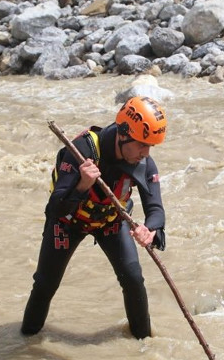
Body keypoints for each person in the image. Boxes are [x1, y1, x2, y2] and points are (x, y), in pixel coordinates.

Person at [21, 96, 168, 340]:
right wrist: (82, 185)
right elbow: (55, 208)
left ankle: (143, 345)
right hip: (68, 221)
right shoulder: (84, 150)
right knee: (45, 284)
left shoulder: (143, 161)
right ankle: (24, 339)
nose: (146, 153)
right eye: (142, 144)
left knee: (133, 279)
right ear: (123, 133)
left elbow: (156, 210)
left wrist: (149, 229)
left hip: (109, 221)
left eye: (150, 146)